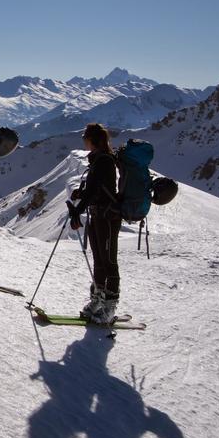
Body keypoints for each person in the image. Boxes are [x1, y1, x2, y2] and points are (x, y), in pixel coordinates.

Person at [70, 123, 121, 323]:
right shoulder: (99, 160)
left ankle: (109, 306)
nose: (83, 140)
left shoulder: (103, 161)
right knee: (99, 260)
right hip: (99, 215)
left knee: (108, 261)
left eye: (85, 137)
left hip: (108, 217)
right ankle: (97, 301)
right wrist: (81, 195)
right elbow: (95, 189)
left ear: (92, 139)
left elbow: (95, 191)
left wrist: (79, 208)